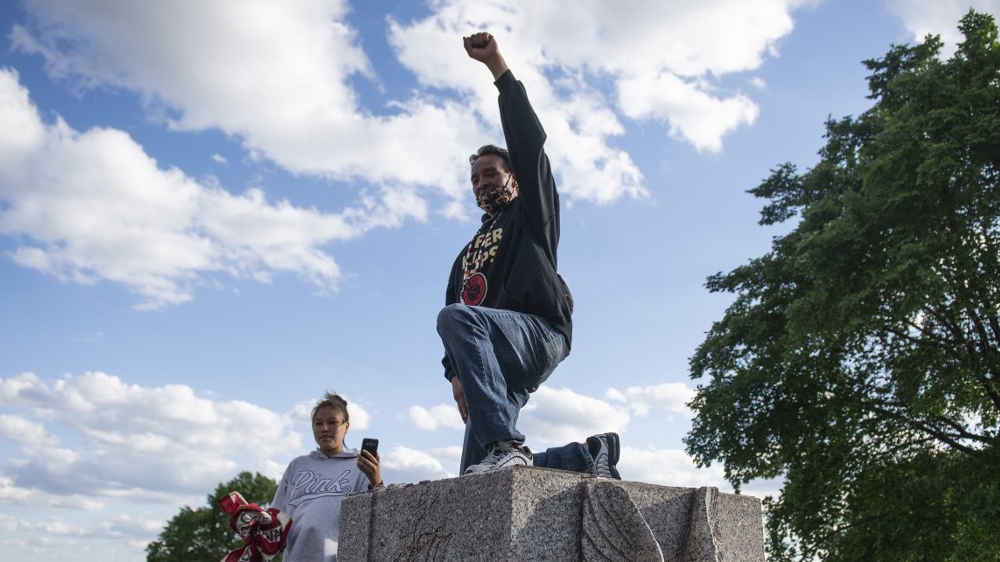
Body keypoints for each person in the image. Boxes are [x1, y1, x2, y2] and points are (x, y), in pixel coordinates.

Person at [437, 31, 620, 480]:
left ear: (515, 178)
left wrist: (497, 68)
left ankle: (505, 442)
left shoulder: (529, 214)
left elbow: (528, 145)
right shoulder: (464, 258)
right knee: (475, 478)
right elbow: (456, 328)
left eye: (491, 173)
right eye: (475, 179)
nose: (482, 183)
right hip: (496, 363)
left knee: (455, 318)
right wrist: (457, 376)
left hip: (539, 331)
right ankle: (583, 456)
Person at [271, 393, 382, 562]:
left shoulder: (360, 466)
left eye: (332, 422)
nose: (324, 428)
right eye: (318, 423)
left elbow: (378, 518)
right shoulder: (297, 466)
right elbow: (276, 517)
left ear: (346, 426)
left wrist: (376, 481)